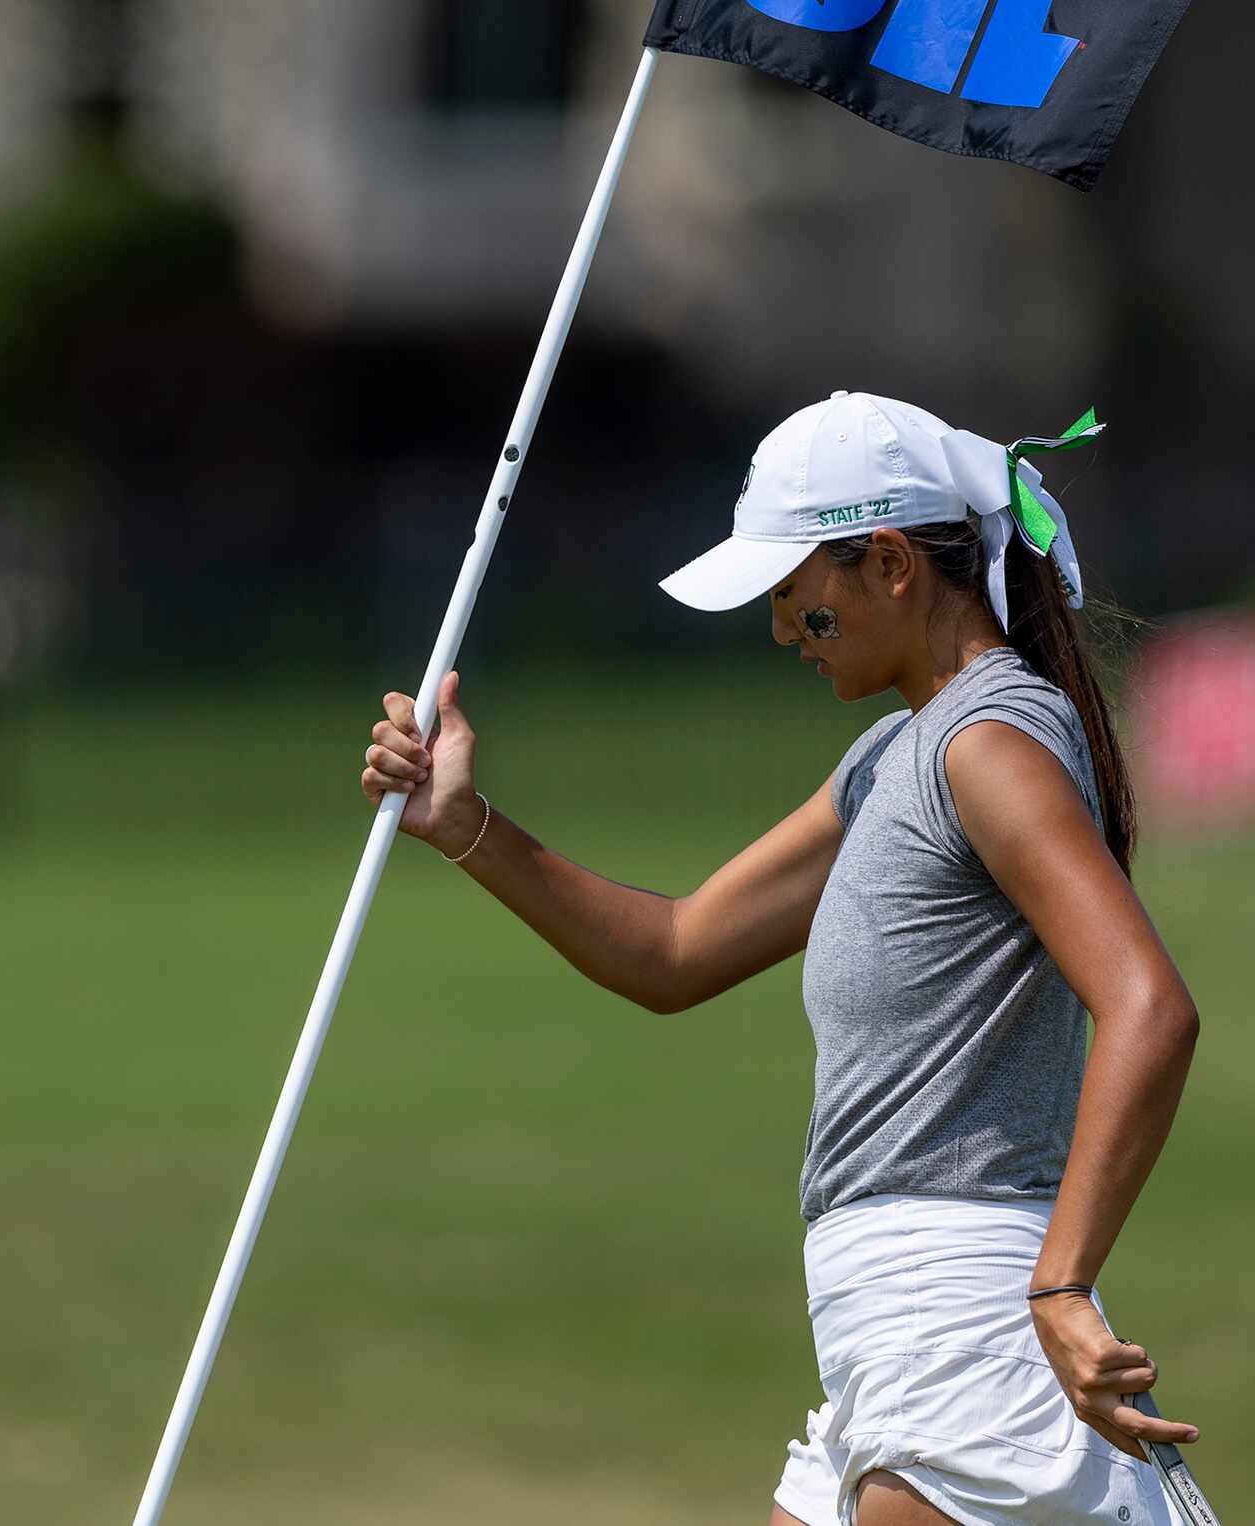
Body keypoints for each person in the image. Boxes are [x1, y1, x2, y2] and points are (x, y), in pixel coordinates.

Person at [360, 391, 1203, 1526]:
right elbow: (673, 950)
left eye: (799, 606)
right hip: (889, 1333)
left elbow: (1150, 1005)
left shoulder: (986, 744)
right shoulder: (891, 762)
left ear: (894, 564)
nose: (777, 635)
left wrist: (1059, 1280)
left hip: (950, 1328)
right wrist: (467, 826)